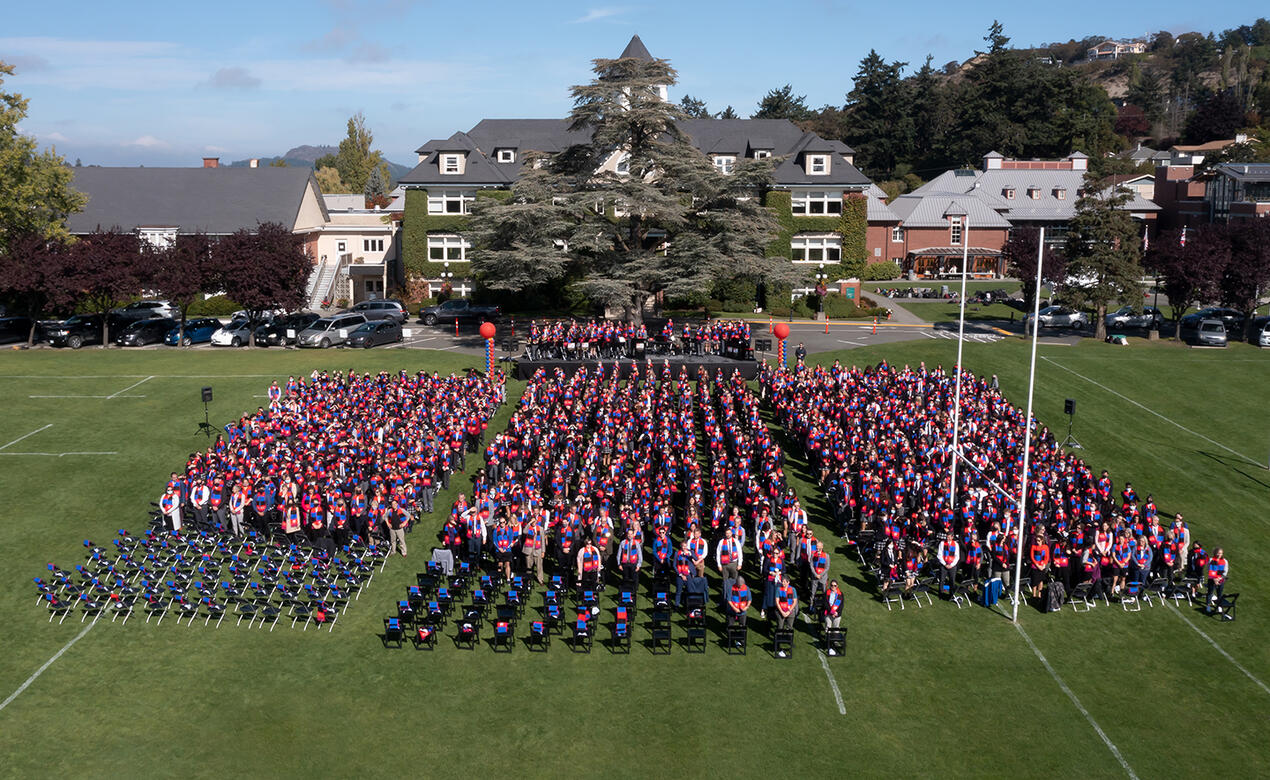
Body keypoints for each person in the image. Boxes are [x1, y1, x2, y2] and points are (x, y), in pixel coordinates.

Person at [774, 575, 798, 656]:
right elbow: (777, 601)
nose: (783, 583)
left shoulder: (793, 589)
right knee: (780, 627)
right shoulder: (778, 589)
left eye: (785, 582)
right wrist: (782, 612)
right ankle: (778, 643)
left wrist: (789, 611)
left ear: (788, 582)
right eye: (782, 581)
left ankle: (790, 641)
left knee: (789, 627)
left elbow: (794, 601)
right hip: (780, 611)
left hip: (790, 612)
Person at [1204, 547, 1228, 614]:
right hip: (1212, 579)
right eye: (1218, 553)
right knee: (1210, 593)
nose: (1219, 554)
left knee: (1219, 594)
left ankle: (1219, 606)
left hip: (1220, 580)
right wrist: (1214, 578)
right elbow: (1209, 570)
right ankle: (1208, 605)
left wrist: (1219, 579)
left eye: (1221, 553)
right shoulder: (1211, 560)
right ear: (1215, 553)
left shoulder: (1225, 561)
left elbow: (1225, 572)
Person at [823, 580, 844, 654]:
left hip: (837, 615)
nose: (833, 587)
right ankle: (828, 642)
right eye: (832, 585)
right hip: (828, 614)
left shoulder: (840, 594)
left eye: (835, 585)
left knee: (836, 629)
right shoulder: (827, 593)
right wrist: (831, 612)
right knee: (828, 628)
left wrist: (837, 613)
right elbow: (825, 604)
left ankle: (834, 643)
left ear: (837, 586)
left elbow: (841, 606)